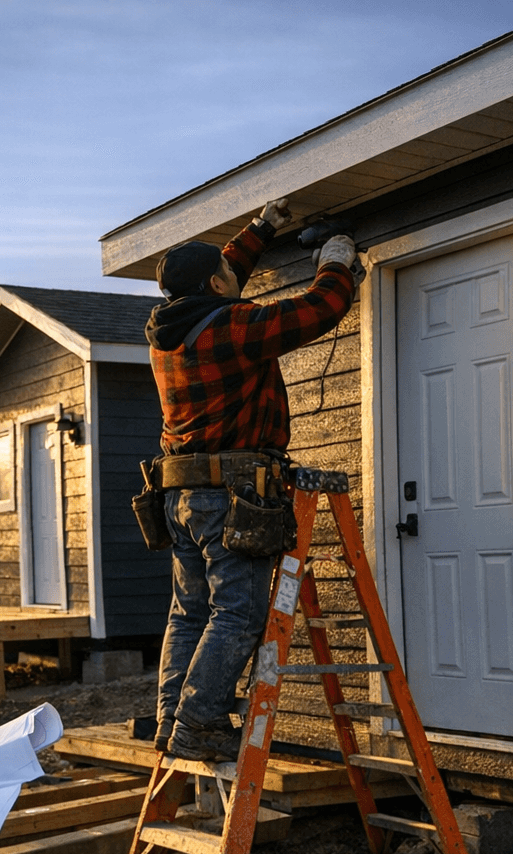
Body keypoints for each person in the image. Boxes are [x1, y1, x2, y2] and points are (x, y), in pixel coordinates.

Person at [145, 199, 358, 762]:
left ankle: (173, 721)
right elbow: (318, 309)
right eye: (224, 272)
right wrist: (337, 261)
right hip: (231, 493)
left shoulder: (166, 335)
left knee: (190, 611)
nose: (230, 275)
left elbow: (219, 272)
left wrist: (262, 228)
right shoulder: (232, 327)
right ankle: (202, 722)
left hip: (180, 495)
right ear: (216, 283)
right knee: (238, 612)